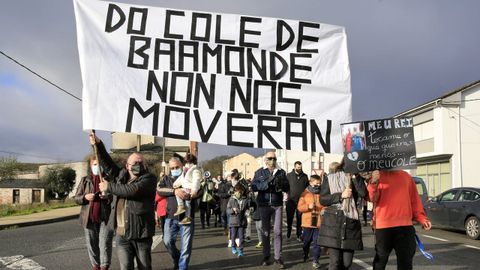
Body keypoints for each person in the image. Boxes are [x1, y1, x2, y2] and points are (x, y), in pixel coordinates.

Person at [91, 133, 157, 270]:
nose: (138, 165)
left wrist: (108, 186)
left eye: (140, 162)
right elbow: (107, 163)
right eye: (135, 163)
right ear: (127, 166)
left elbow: (131, 190)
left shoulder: (149, 179)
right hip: (122, 235)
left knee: (144, 266)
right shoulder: (121, 175)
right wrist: (98, 144)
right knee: (125, 266)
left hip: (141, 234)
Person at [368, 169, 432, 270]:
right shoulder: (378, 175)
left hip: (405, 227)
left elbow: (414, 200)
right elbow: (372, 199)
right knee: (380, 263)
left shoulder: (406, 176)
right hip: (384, 227)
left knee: (405, 264)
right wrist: (373, 183)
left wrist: (422, 218)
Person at [318, 161, 367, 270]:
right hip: (333, 223)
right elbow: (323, 199)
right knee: (334, 262)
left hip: (350, 224)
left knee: (347, 263)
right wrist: (341, 195)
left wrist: (355, 176)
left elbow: (363, 193)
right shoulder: (330, 178)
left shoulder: (356, 178)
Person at [158, 157, 202, 270]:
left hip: (186, 217)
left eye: (177, 167)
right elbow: (159, 190)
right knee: (167, 241)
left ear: (182, 165)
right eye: (172, 168)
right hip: (170, 217)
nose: (174, 169)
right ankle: (176, 257)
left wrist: (194, 193)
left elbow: (200, 188)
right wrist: (175, 191)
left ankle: (182, 267)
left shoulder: (190, 174)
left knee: (186, 246)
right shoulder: (166, 179)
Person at [75, 155, 114, 270]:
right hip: (89, 218)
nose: (97, 167)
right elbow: (77, 198)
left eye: (99, 164)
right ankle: (96, 266)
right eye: (95, 165)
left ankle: (104, 266)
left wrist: (108, 196)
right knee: (92, 244)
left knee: (104, 243)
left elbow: (116, 196)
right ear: (91, 166)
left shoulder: (108, 180)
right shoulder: (85, 180)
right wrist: (85, 197)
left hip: (106, 218)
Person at [252, 151, 290, 269]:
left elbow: (287, 187)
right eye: (270, 158)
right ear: (265, 160)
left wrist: (282, 185)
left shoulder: (281, 172)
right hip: (263, 205)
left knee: (278, 232)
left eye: (274, 158)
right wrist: (268, 181)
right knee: (266, 232)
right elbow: (254, 186)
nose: (272, 161)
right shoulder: (259, 172)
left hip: (277, 204)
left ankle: (278, 258)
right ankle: (266, 256)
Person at [297, 175, 324, 269]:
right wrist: (308, 207)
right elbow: (299, 208)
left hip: (319, 222)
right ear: (311, 182)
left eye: (319, 183)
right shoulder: (305, 193)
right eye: (316, 183)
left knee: (317, 243)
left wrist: (324, 210)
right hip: (307, 222)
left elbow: (325, 204)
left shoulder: (322, 193)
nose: (319, 185)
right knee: (306, 241)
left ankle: (316, 260)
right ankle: (305, 253)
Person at [173, 153, 202, 225]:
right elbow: (181, 179)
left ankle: (185, 213)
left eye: (190, 162)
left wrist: (194, 190)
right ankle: (183, 210)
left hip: (189, 189)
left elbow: (196, 180)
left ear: (193, 162)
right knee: (184, 200)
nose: (188, 164)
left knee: (187, 202)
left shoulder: (195, 170)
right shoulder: (185, 170)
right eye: (186, 162)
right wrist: (175, 184)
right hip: (185, 187)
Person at [227, 184, 254, 257]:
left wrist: (249, 211)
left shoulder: (245, 199)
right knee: (233, 236)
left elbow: (248, 209)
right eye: (237, 191)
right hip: (233, 221)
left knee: (241, 237)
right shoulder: (231, 199)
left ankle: (241, 250)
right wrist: (233, 210)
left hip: (242, 221)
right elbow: (228, 210)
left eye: (240, 191)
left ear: (242, 191)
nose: (238, 192)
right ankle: (233, 246)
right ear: (234, 191)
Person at [286, 161, 309, 241]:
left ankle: (298, 234)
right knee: (290, 218)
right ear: (295, 167)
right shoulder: (289, 175)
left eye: (300, 167)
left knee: (300, 219)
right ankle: (288, 232)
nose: (299, 169)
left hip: (301, 201)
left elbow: (307, 188)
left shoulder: (305, 176)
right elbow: (285, 187)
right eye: (298, 167)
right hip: (291, 201)